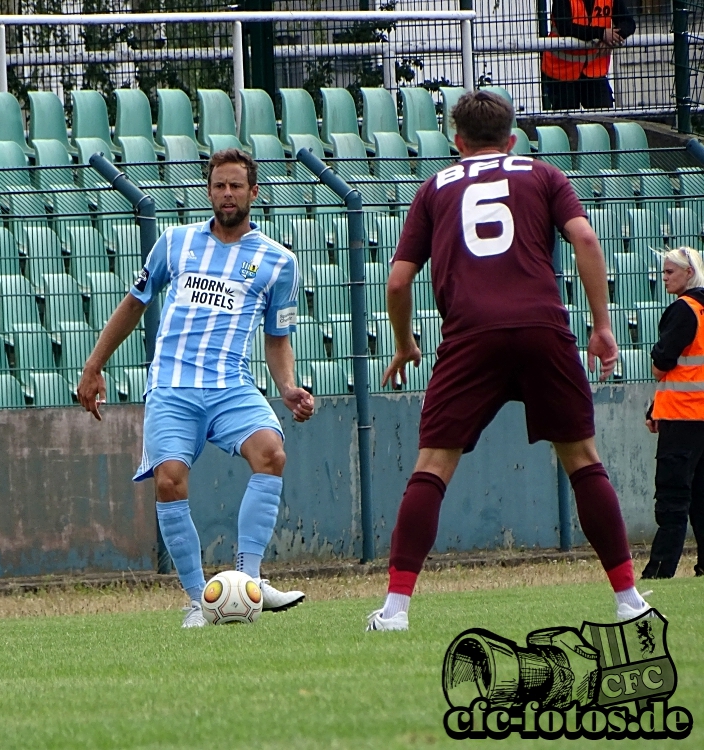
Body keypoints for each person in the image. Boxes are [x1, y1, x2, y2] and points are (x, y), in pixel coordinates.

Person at [366, 90, 650, 632]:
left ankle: (397, 609)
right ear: (512, 138)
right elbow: (585, 237)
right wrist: (602, 325)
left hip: (470, 334)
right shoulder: (543, 175)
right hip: (543, 326)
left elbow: (398, 279)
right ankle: (628, 600)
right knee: (583, 460)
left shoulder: (435, 187)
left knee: (432, 467)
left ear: (458, 142)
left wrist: (404, 344)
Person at [77, 148, 315, 628]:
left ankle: (250, 580)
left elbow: (278, 336)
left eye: (236, 186)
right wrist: (94, 365)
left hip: (231, 387)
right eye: (219, 186)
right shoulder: (175, 242)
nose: (227, 194)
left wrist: (286, 386)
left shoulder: (277, 262)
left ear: (254, 191)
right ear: (209, 191)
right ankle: (196, 601)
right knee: (169, 479)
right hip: (173, 388)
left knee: (271, 451)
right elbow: (134, 303)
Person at [643, 247, 704, 579]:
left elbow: (662, 364)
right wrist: (656, 406)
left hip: (682, 418)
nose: (663, 277)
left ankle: (660, 569)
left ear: (688, 274)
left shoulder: (683, 309)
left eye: (669, 272)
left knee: (672, 496)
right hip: (697, 417)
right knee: (700, 498)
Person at [541, 0, 636, 111]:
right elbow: (565, 28)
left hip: (594, 70)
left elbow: (629, 23)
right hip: (562, 72)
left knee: (604, 117)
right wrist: (602, 34)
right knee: (567, 120)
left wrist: (613, 38)